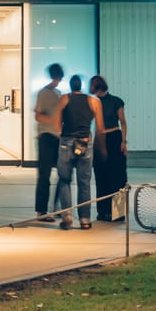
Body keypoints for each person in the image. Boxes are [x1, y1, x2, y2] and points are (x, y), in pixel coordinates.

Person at [52, 74, 106, 229]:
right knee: (84, 183)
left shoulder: (63, 99)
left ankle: (67, 216)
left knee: (64, 180)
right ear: (81, 85)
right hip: (85, 143)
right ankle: (85, 220)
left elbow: (57, 126)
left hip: (66, 142)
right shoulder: (94, 101)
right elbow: (100, 128)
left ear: (70, 86)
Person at [90, 75, 128, 222]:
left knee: (111, 177)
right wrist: (123, 142)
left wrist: (123, 141)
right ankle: (108, 212)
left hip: (108, 138)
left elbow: (123, 123)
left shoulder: (113, 101)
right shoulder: (112, 101)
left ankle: (110, 212)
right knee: (107, 176)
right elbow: (123, 123)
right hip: (109, 138)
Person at [33, 63, 64, 222]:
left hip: (58, 137)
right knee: (44, 175)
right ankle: (42, 211)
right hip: (46, 136)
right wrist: (54, 120)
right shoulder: (44, 93)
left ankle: (57, 208)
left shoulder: (58, 93)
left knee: (62, 174)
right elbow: (38, 116)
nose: (57, 80)